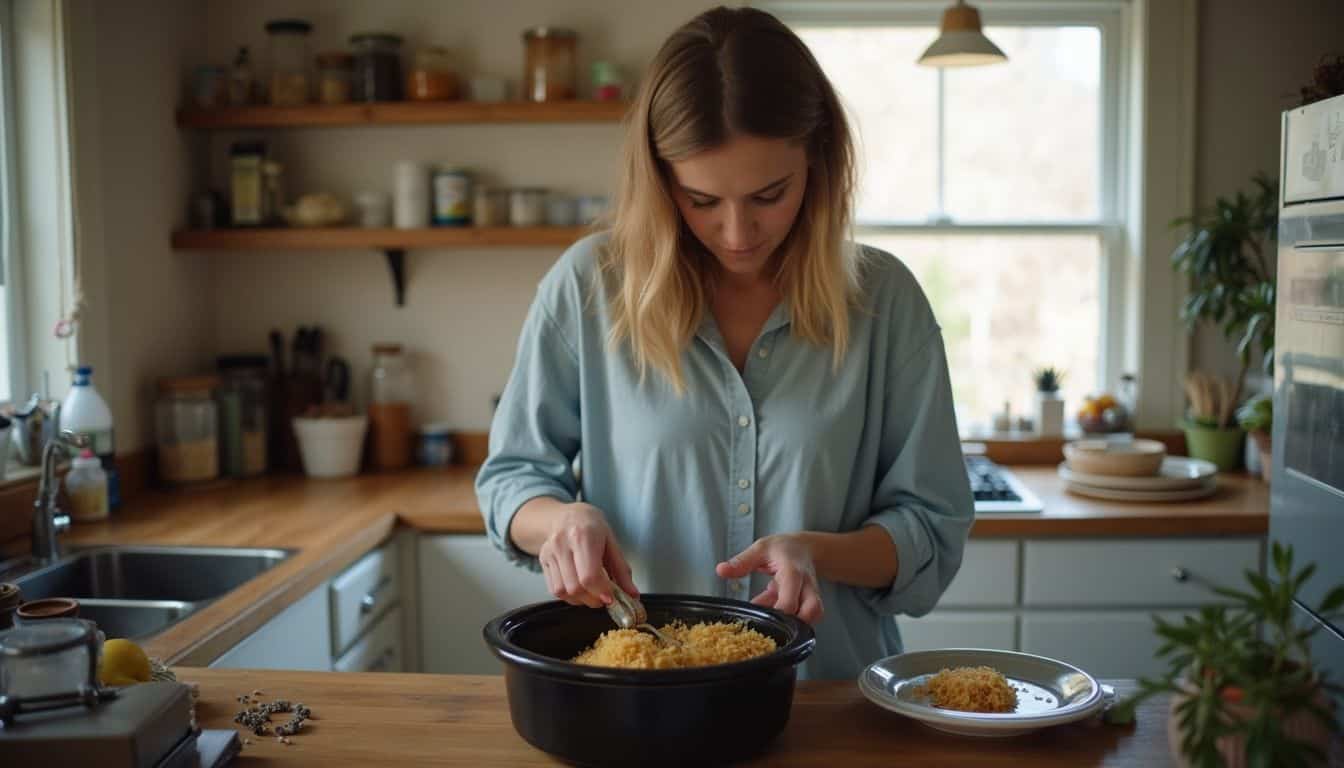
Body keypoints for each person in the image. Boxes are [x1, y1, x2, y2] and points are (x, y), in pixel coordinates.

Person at [476, 5, 973, 680]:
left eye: (770, 194)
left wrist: (816, 551)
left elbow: (933, 525)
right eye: (702, 200)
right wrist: (561, 521)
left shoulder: (885, 302)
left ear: (818, 163)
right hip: (640, 704)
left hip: (833, 705)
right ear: (659, 181)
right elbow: (511, 478)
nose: (737, 232)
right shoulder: (590, 286)